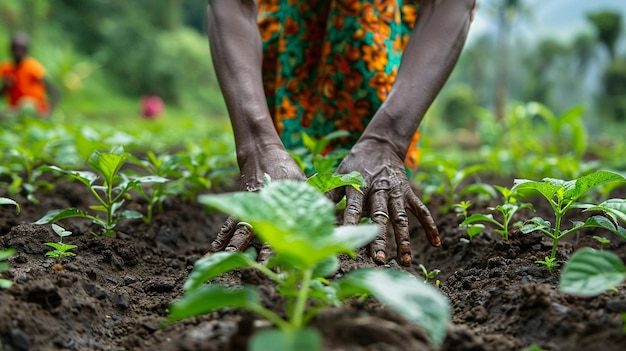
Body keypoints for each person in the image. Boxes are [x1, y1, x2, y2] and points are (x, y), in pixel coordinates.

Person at [206, 0, 477, 267]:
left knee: (374, 179)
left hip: (378, 40)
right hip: (285, 33)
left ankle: (365, 179)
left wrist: (387, 139)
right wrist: (258, 145)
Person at [0, 32, 60, 118]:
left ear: (27, 50)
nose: (17, 52)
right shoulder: (6, 69)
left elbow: (55, 92)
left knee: (27, 104)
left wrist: (49, 113)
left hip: (35, 111)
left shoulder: (32, 67)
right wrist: (5, 87)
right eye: (15, 48)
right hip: (15, 111)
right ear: (10, 48)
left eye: (21, 49)